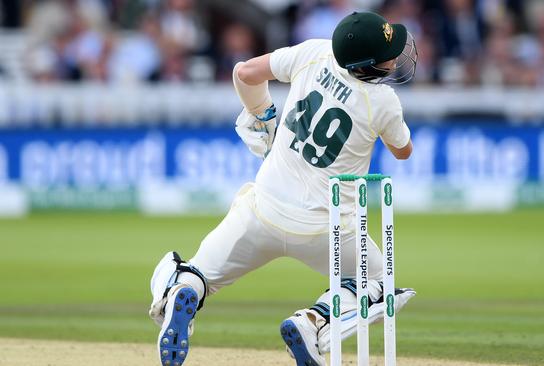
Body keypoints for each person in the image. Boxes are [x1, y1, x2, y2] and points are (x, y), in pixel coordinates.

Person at [148, 11, 418, 366]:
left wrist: (263, 114)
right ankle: (312, 322)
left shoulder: (315, 52)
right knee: (379, 281)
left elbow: (245, 73)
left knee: (197, 274)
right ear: (367, 65)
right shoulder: (382, 101)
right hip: (328, 230)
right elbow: (403, 151)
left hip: (262, 211)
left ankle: (185, 292)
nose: (396, 56)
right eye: (389, 52)